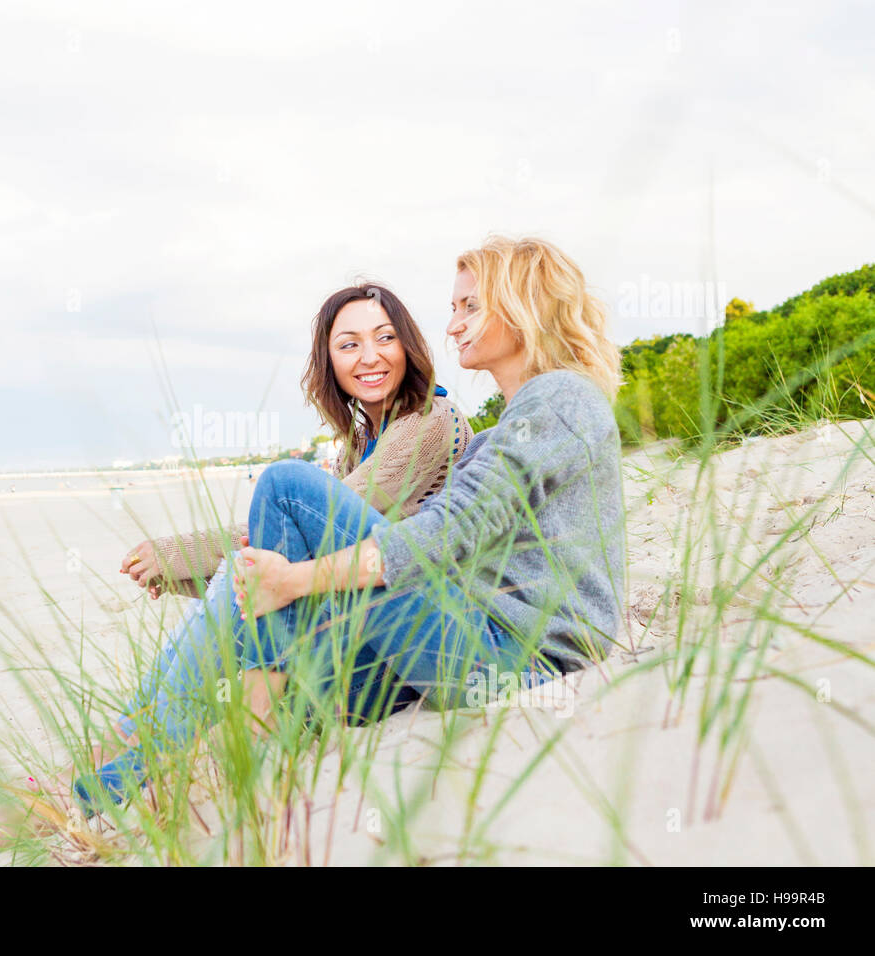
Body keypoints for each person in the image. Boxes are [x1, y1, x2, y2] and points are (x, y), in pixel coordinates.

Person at [67, 235, 626, 818]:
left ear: (522, 307)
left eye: (469, 306)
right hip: (468, 646)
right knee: (289, 682)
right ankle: (104, 788)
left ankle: (183, 746)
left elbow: (446, 531)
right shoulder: (501, 431)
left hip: (515, 658)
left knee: (285, 486)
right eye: (454, 307)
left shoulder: (558, 400)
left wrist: (294, 580)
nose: (453, 324)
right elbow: (444, 539)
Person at [0, 282, 471, 858]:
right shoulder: (360, 441)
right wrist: (181, 576)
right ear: (329, 362)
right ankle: (94, 777)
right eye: (349, 344)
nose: (370, 356)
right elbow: (292, 566)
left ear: (408, 345)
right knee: (242, 581)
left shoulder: (430, 421)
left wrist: (180, 551)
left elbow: (299, 523)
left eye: (385, 338)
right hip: (359, 644)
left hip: (405, 659)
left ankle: (80, 787)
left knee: (254, 541)